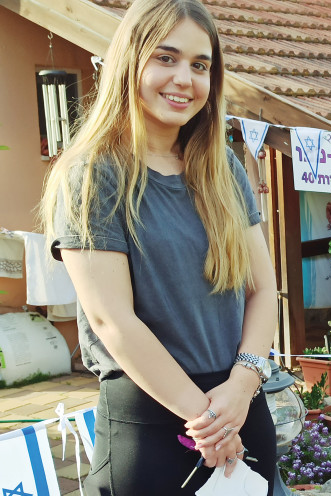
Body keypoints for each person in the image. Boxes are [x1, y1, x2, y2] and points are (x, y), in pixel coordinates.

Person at [39, 0, 278, 493]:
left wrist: (242, 387)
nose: (184, 79)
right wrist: (208, 419)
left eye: (200, 65)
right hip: (155, 424)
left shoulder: (224, 170)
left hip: (240, 408)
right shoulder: (92, 176)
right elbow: (113, 321)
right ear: (131, 62)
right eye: (165, 58)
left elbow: (262, 288)